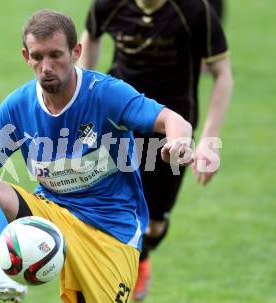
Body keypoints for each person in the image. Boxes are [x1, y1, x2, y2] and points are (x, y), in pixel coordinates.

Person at [0, 9, 194, 303]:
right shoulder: (17, 108)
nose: (47, 67)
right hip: (53, 215)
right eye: (38, 57)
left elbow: (172, 120)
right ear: (26, 57)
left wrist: (178, 142)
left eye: (56, 55)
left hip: (111, 234)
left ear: (76, 52)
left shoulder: (106, 94)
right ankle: (0, 268)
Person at [79, 0, 233, 301]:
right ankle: (105, 278)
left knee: (155, 222)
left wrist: (209, 141)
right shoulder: (108, 5)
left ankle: (143, 254)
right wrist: (83, 98)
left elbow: (222, 74)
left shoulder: (195, 11)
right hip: (118, 115)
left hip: (172, 127)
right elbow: (91, 35)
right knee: (105, 202)